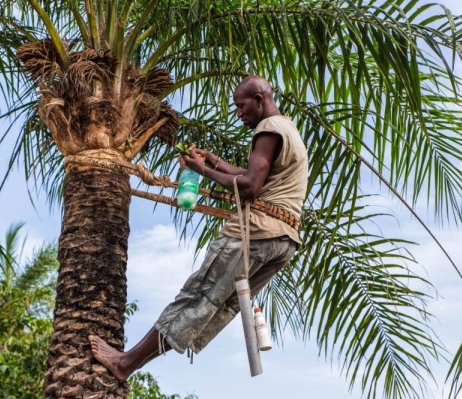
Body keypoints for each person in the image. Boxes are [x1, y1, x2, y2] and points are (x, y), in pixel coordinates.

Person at [89, 75, 308, 381]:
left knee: (197, 297)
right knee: (218, 305)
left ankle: (126, 363)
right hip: (283, 241)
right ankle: (132, 362)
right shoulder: (288, 129)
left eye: (242, 106)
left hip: (256, 231)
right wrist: (214, 161)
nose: (239, 113)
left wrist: (199, 170)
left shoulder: (268, 130)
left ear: (259, 100)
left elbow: (249, 187)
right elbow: (252, 173)